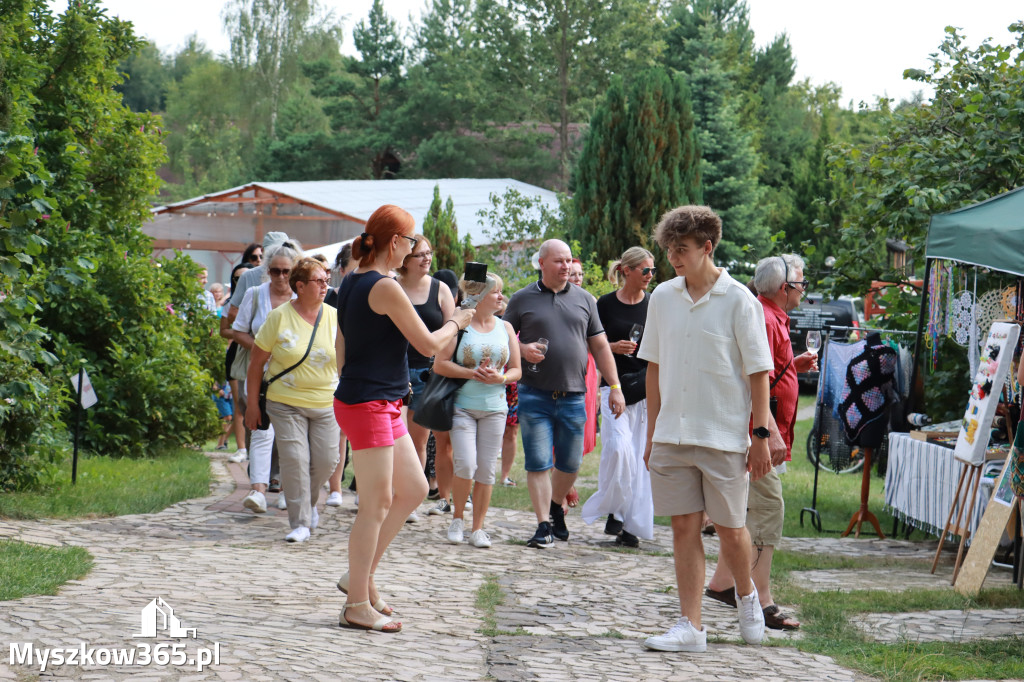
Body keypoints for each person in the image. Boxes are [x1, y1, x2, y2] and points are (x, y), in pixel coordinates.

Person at [639, 205, 782, 653]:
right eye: (668, 250)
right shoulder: (662, 296)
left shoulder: (740, 300)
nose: (673, 258)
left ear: (708, 247)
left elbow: (759, 373)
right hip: (672, 436)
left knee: (730, 528)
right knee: (682, 528)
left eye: (682, 249)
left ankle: (746, 596)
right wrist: (651, 435)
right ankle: (691, 626)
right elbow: (654, 369)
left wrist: (759, 438)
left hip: (722, 436)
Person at [333, 205, 474, 632]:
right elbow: (430, 344)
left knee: (412, 489)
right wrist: (459, 320)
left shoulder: (354, 280)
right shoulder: (381, 285)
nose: (414, 249)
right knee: (374, 505)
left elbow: (342, 344)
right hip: (370, 403)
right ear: (395, 242)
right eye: (412, 242)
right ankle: (356, 603)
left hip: (380, 399)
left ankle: (358, 577)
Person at [704, 255, 817, 631]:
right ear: (785, 288)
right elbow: (753, 380)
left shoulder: (768, 315)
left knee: (747, 511)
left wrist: (792, 367)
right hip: (760, 436)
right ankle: (761, 597)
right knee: (767, 511)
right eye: (801, 284)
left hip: (760, 433)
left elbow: (766, 372)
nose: (804, 289)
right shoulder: (766, 318)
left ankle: (722, 584)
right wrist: (770, 433)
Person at [502, 239, 626, 548]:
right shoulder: (521, 298)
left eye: (568, 260)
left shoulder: (585, 300)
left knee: (570, 464)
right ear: (542, 264)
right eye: (559, 261)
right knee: (538, 462)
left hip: (573, 395)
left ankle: (556, 505)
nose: (566, 266)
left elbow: (599, 345)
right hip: (535, 394)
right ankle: (543, 524)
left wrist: (615, 387)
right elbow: (500, 338)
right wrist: (521, 348)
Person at [244, 257, 340, 543]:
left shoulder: (336, 317)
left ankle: (307, 503)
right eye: (319, 281)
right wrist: (251, 405)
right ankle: (300, 522)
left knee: (326, 461)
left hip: (326, 403)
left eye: (327, 280)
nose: (325, 285)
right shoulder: (279, 317)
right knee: (296, 460)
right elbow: (255, 364)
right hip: (284, 402)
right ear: (300, 285)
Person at [433, 274, 521, 547]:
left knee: (486, 471)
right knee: (467, 464)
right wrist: (472, 373)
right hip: (463, 407)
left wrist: (501, 379)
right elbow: (440, 364)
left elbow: (517, 370)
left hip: (495, 409)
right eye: (496, 292)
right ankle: (457, 518)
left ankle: (478, 529)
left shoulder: (505, 328)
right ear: (480, 296)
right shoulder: (461, 326)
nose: (501, 297)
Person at [581, 247, 655, 548]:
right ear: (627, 271)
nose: (651, 276)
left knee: (639, 461)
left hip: (647, 391)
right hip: (615, 390)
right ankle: (612, 508)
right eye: (645, 270)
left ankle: (628, 524)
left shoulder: (654, 304)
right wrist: (612, 348)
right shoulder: (606, 304)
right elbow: (591, 344)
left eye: (653, 271)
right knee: (618, 450)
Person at [233, 242, 301, 513]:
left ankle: (287, 487)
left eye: (286, 271)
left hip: (295, 378)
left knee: (291, 435)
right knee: (261, 431)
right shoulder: (256, 294)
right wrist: (262, 349)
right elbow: (238, 331)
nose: (281, 277)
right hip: (261, 374)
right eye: (275, 271)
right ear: (267, 271)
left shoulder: (303, 298)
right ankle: (258, 490)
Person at [396, 236, 457, 520]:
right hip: (393, 371)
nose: (426, 259)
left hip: (426, 373)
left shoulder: (440, 289)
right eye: (419, 254)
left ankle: (411, 501)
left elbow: (453, 330)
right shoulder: (392, 287)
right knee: (393, 440)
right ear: (405, 260)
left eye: (429, 253)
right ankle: (389, 495)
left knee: (418, 440)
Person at [324, 242, 358, 507]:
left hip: (358, 370)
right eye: (354, 269)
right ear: (342, 269)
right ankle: (335, 487)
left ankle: (355, 486)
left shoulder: (374, 294)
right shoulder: (331, 297)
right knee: (337, 434)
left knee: (352, 434)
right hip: (330, 369)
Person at [224, 262, 254, 464]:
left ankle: (252, 449)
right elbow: (223, 330)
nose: (240, 280)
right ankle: (242, 448)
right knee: (240, 403)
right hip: (238, 353)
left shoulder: (260, 296)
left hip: (256, 351)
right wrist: (240, 333)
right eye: (236, 278)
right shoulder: (231, 303)